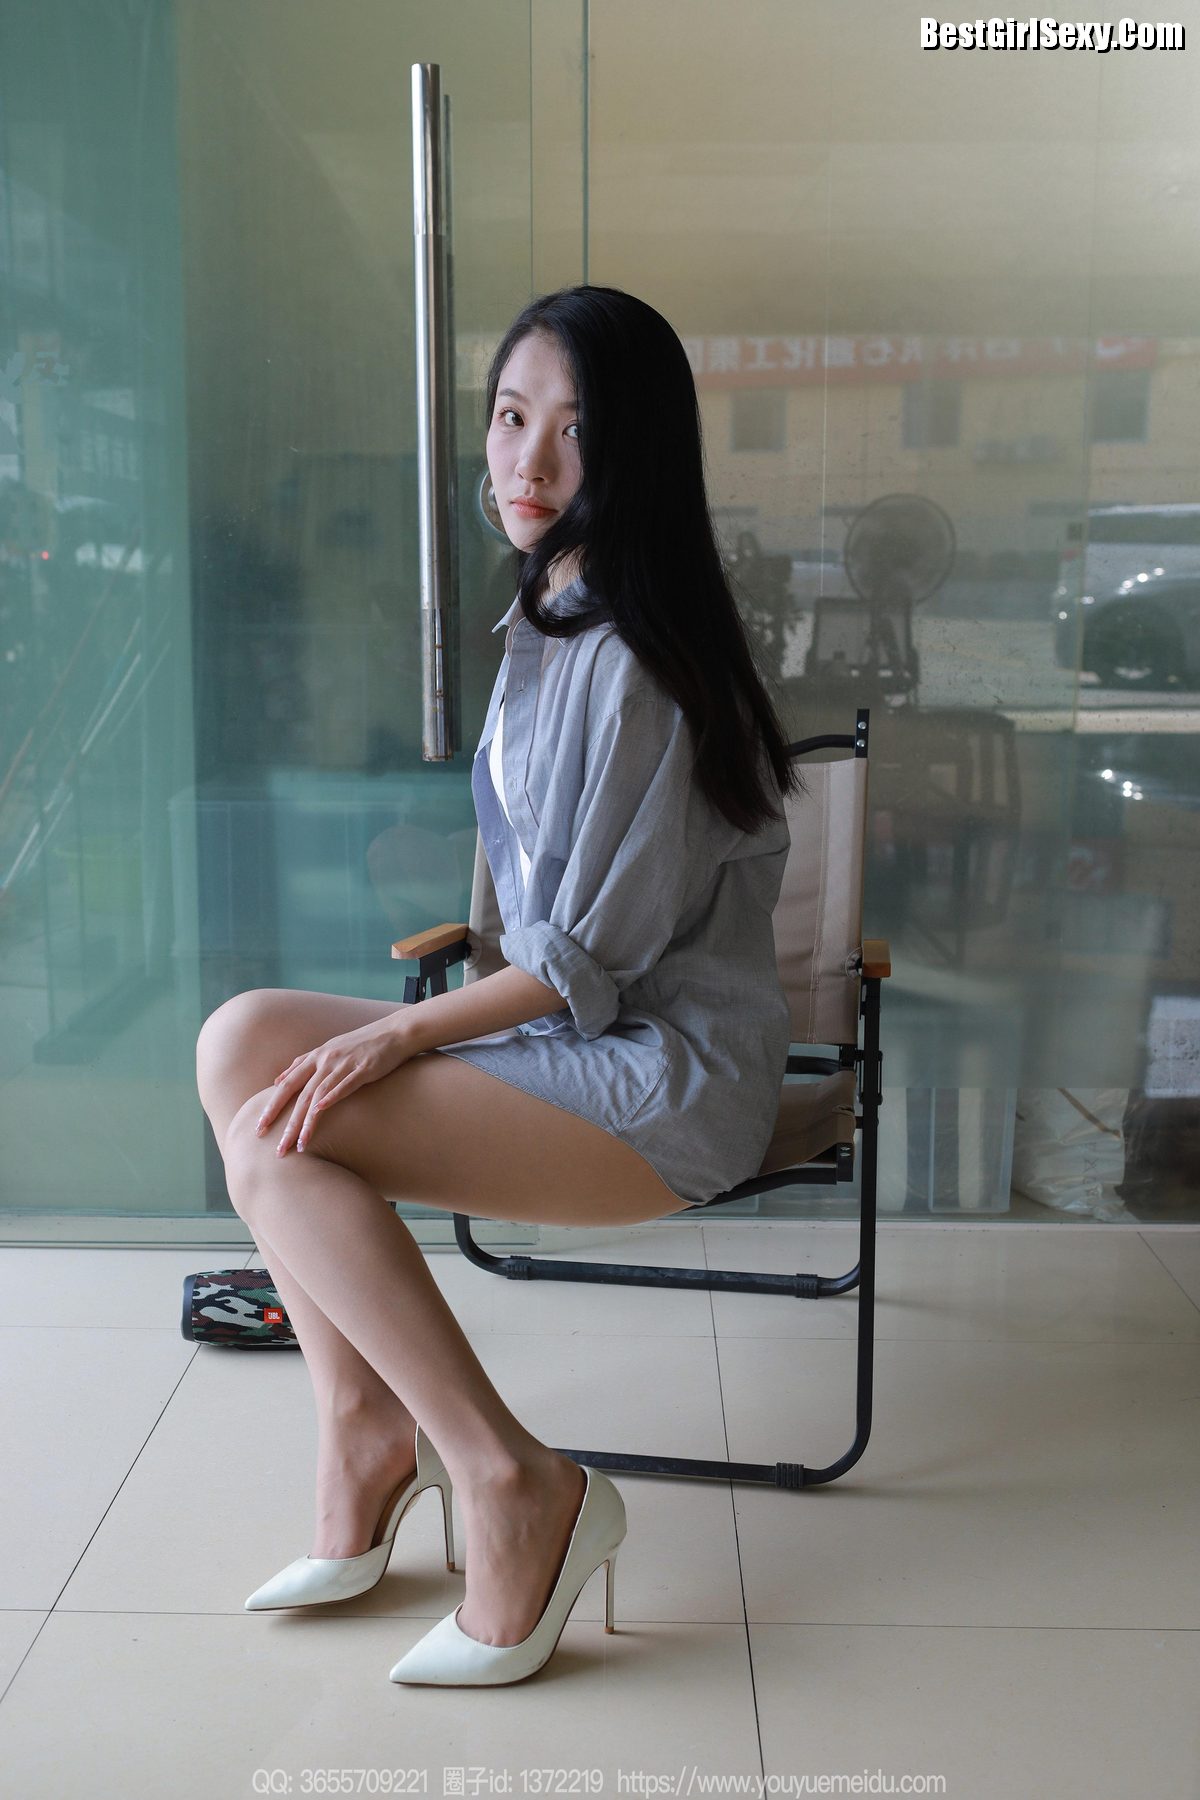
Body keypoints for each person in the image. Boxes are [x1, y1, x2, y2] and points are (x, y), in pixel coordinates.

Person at [195, 284, 805, 1687]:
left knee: (279, 1136)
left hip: (661, 1075)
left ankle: (511, 1480)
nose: (528, 462)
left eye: (575, 431)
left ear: (637, 452)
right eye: (512, 417)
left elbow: (586, 960)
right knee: (242, 1042)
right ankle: (365, 1430)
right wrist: (402, 1026)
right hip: (574, 1036)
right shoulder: (556, 621)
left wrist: (401, 1035)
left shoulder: (635, 661)